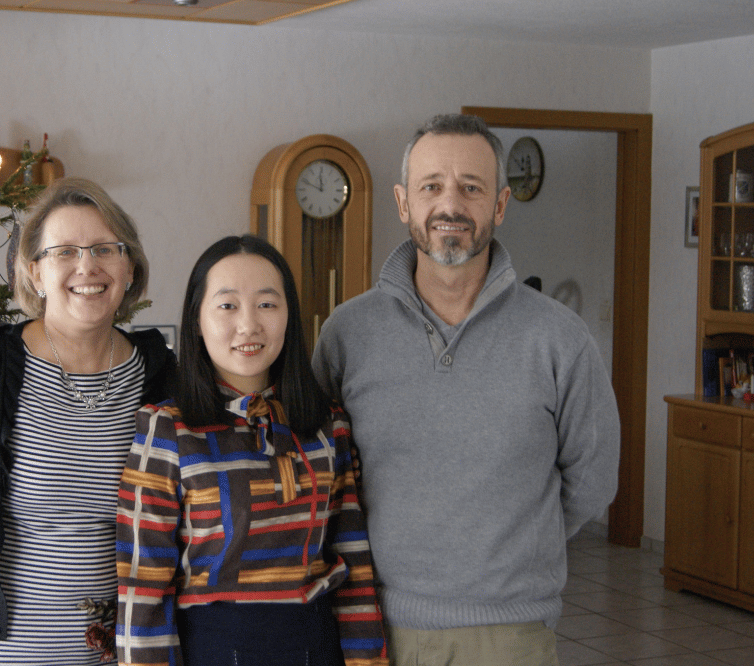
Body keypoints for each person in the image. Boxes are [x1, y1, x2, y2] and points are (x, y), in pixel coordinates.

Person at [312, 114, 621, 666]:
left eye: (471, 188)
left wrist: (513, 546)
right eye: (432, 186)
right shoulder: (346, 334)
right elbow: (321, 475)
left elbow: (592, 481)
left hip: (512, 634)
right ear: (404, 204)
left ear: (499, 205)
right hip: (372, 628)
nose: (449, 206)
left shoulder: (560, 339)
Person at [0, 177, 175, 666]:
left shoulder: (158, 374)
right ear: (33, 271)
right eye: (64, 252)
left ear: (130, 266)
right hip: (0, 650)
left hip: (122, 652)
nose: (87, 267)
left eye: (105, 249)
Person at [116, 235, 387, 666]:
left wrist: (368, 660)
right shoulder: (167, 430)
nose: (249, 325)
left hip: (316, 647)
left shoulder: (326, 425)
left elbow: (353, 563)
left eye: (267, 304)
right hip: (214, 649)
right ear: (197, 321)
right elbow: (143, 588)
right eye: (227, 305)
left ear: (288, 317)